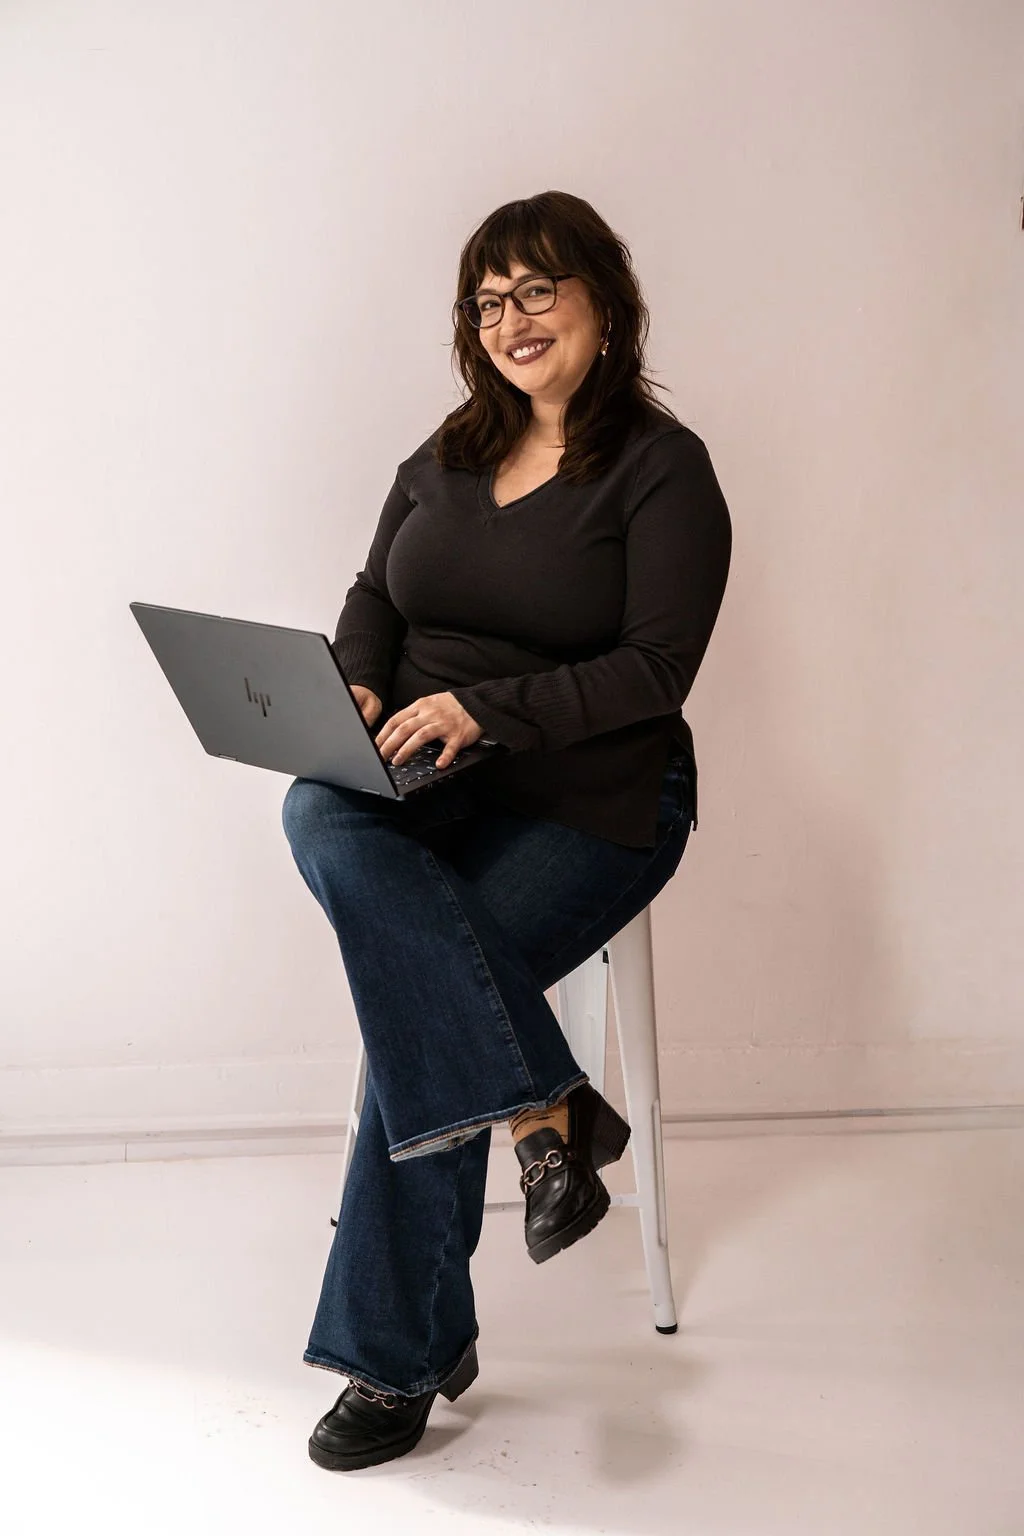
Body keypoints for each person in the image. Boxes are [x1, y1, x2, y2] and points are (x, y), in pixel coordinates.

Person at [281, 190, 732, 1472]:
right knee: (317, 800)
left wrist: (481, 710)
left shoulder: (660, 469)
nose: (511, 319)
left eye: (538, 290)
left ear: (605, 305)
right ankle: (548, 1109)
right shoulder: (449, 448)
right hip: (427, 768)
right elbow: (373, 591)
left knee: (418, 997)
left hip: (595, 794)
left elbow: (654, 671)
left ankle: (393, 1357)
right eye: (488, 299)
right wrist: (364, 684)